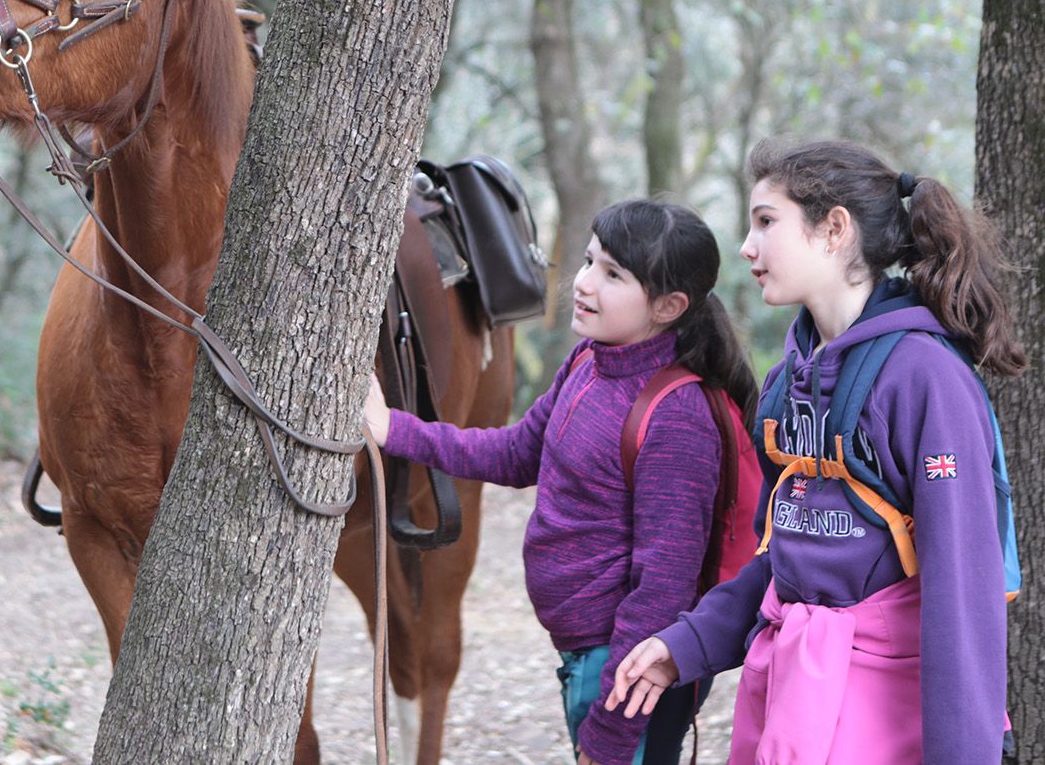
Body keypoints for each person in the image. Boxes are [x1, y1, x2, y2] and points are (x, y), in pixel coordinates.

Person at [606, 139, 1026, 764]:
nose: (747, 247)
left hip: (884, 720)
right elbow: (781, 561)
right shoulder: (785, 383)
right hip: (787, 698)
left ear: (834, 229)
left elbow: (962, 597)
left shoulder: (926, 379)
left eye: (766, 222)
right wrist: (688, 644)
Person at [364, 199, 759, 765]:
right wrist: (393, 430)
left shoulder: (676, 417)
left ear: (669, 305)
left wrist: (613, 728)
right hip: (587, 657)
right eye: (589, 261)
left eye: (614, 275)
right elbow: (518, 453)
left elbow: (662, 591)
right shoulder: (588, 362)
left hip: (624, 671)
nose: (584, 283)